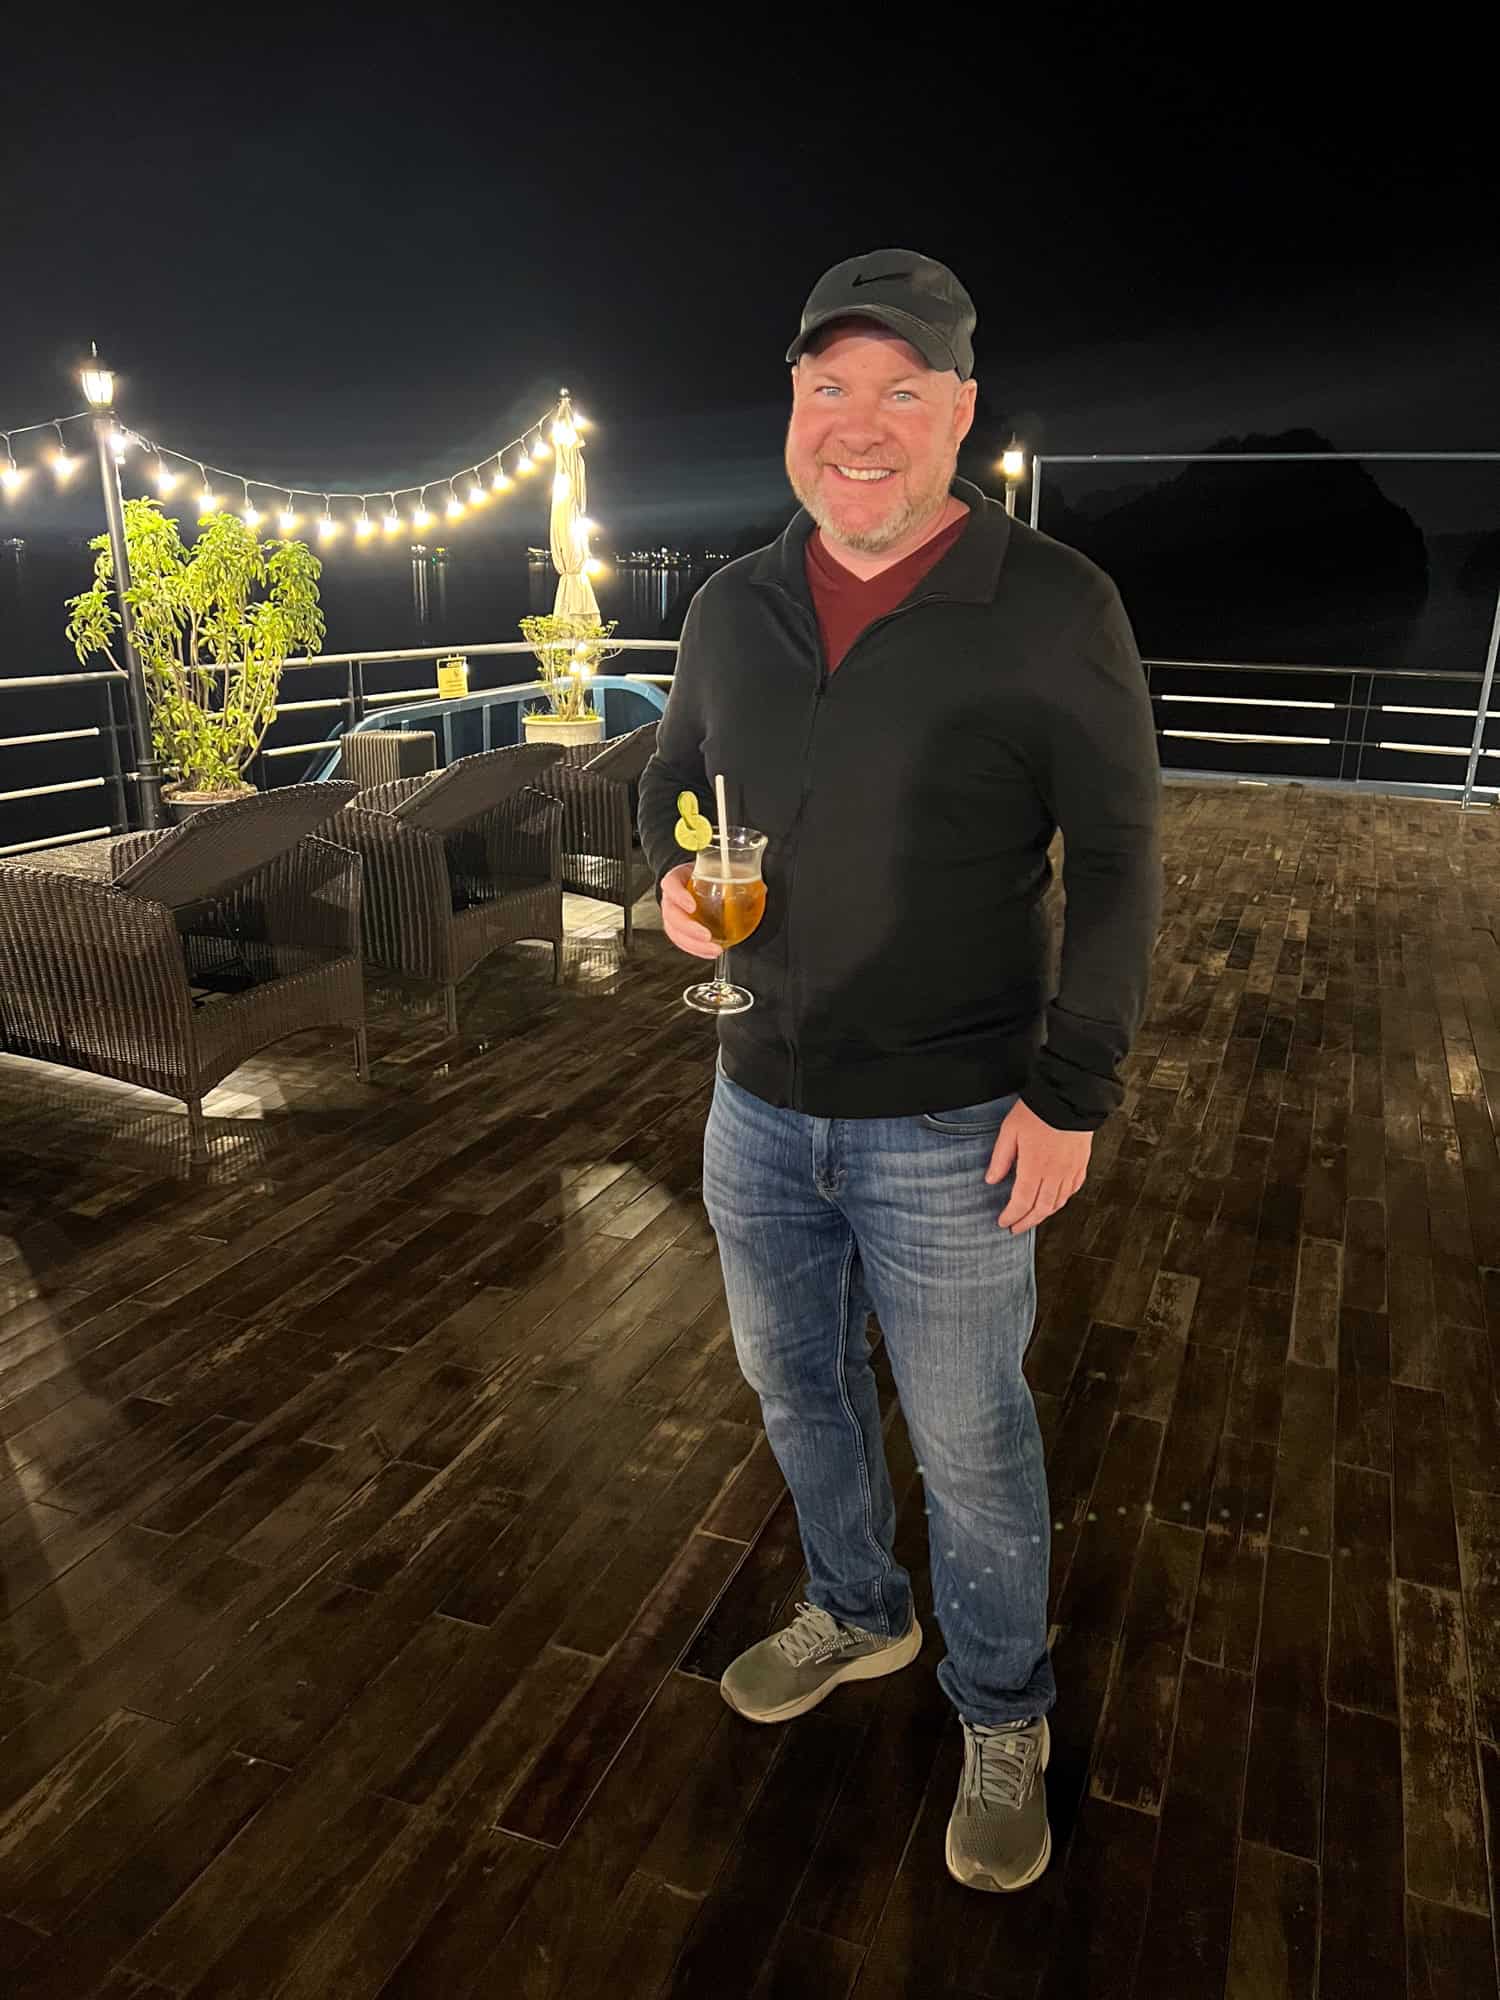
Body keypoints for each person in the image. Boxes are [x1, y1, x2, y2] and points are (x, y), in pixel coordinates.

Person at [637, 249, 1162, 1894]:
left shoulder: (1053, 604)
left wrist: (1074, 1093)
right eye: (826, 390)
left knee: (973, 1438)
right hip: (756, 1103)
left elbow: (1126, 865)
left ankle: (1004, 1711)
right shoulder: (733, 607)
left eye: (898, 389)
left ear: (959, 412)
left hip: (955, 1122)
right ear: (792, 412)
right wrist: (670, 895)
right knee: (796, 1392)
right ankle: (859, 1611)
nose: (857, 426)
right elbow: (667, 789)